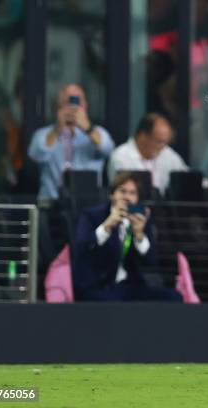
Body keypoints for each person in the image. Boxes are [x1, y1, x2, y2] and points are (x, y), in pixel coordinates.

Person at [72, 172, 182, 301]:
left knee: (173, 297)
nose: (127, 197)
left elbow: (151, 260)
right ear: (111, 194)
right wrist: (107, 225)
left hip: (130, 285)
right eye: (122, 191)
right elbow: (82, 248)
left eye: (132, 193)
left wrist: (139, 235)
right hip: (99, 285)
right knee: (113, 301)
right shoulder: (91, 216)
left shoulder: (140, 219)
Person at [28, 84, 114, 200]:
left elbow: (107, 149)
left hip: (87, 201)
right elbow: (36, 155)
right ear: (58, 106)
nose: (73, 107)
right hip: (52, 203)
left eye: (78, 101)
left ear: (85, 105)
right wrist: (58, 128)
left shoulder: (98, 132)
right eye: (68, 101)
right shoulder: (44, 134)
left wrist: (87, 128)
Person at [108, 113, 188, 196]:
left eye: (166, 142)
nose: (163, 147)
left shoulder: (168, 154)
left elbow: (186, 178)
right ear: (143, 136)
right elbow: (123, 193)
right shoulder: (121, 156)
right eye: (159, 142)